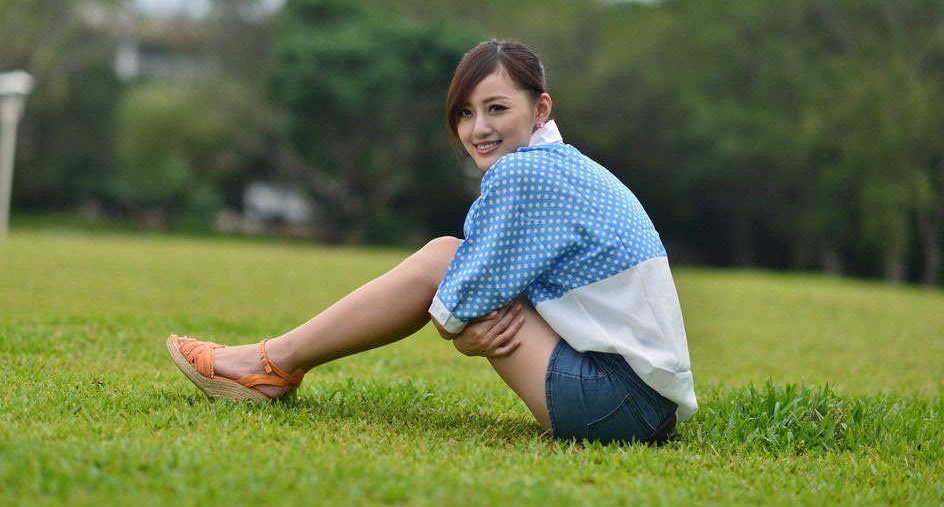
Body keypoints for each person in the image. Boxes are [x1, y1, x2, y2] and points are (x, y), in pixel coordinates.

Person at [167, 39, 697, 444]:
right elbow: (478, 302)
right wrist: (469, 319)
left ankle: (269, 364)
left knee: (444, 255)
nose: (477, 129)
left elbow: (453, 311)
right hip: (650, 405)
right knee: (452, 259)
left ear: (540, 110)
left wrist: (465, 333)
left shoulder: (526, 175)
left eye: (496, 108)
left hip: (614, 404)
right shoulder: (561, 167)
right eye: (465, 112)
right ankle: (273, 363)